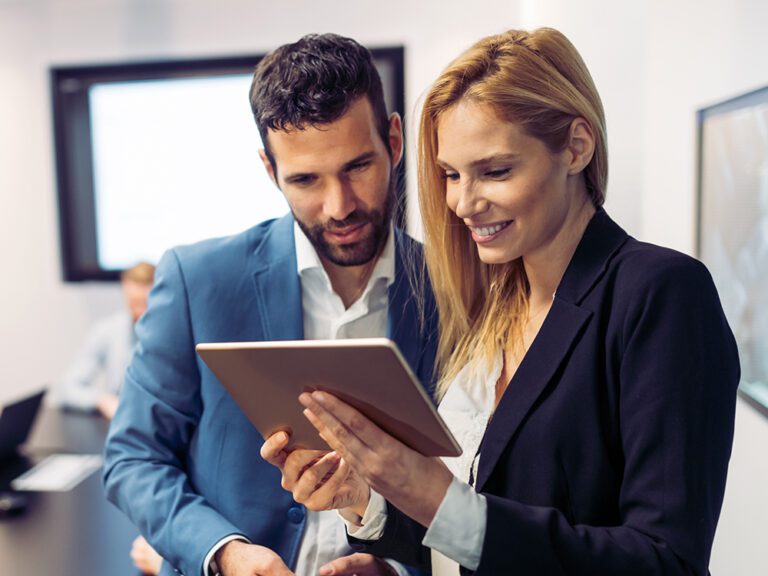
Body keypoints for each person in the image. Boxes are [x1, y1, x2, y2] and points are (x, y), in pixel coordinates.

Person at [263, 28, 740, 575]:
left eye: (495, 171)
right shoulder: (497, 304)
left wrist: (433, 494)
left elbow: (665, 562)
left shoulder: (660, 293)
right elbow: (469, 532)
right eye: (450, 175)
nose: (463, 204)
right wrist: (365, 504)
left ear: (576, 147)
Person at [103, 33, 437, 576]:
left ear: (394, 140)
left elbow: (470, 485)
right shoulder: (198, 280)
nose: (339, 206)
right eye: (305, 179)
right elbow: (133, 459)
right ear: (269, 170)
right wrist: (225, 553)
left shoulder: (455, 290)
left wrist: (397, 566)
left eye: (357, 167)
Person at [54, 261, 155, 419]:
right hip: (119, 420)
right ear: (124, 288)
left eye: (145, 303)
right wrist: (102, 400)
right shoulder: (107, 330)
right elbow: (66, 388)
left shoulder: (174, 334)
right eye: (134, 302)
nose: (139, 312)